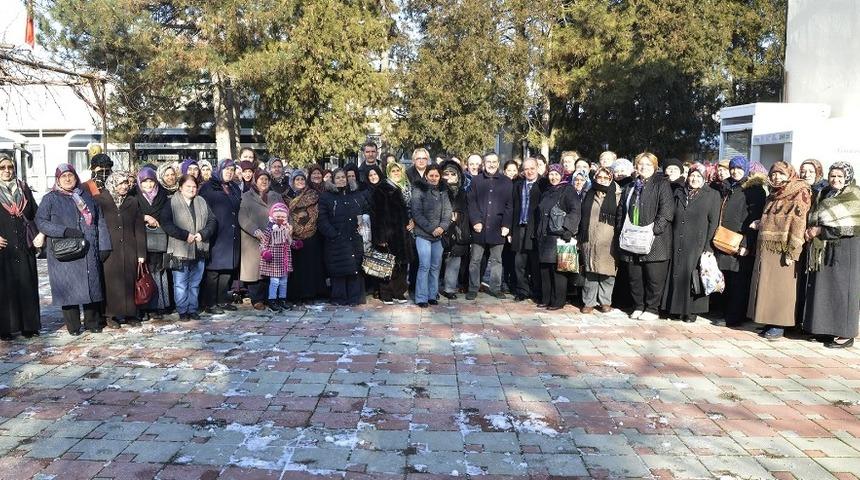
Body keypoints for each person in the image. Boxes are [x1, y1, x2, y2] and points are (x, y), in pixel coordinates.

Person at [36, 164, 111, 335]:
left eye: (71, 175)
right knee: (69, 288)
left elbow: (100, 221)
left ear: (76, 177)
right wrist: (64, 231)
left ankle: (92, 323)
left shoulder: (87, 197)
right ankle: (74, 326)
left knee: (91, 286)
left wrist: (105, 245)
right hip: (65, 249)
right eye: (64, 176)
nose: (68, 179)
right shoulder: (50, 199)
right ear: (58, 180)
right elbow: (41, 222)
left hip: (89, 247)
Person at [748, 161, 811, 340]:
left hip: (784, 247)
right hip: (768, 246)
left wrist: (793, 250)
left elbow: (799, 223)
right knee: (767, 286)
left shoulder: (800, 191)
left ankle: (779, 324)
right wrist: (760, 224)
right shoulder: (773, 193)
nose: (776, 177)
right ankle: (769, 320)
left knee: (782, 288)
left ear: (789, 174)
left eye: (780, 173)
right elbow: (771, 218)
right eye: (774, 173)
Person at [802, 162, 859, 348]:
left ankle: (846, 334)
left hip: (846, 250)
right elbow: (816, 215)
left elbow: (851, 226)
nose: (835, 179)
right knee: (825, 290)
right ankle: (825, 329)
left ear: (847, 177)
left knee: (843, 291)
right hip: (824, 248)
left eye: (840, 176)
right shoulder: (824, 192)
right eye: (832, 175)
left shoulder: (854, 195)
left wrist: (819, 231)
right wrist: (813, 230)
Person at [616, 153, 674, 321]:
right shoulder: (631, 186)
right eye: (641, 164)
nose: (644, 167)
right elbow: (621, 210)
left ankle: (652, 309)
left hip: (655, 240)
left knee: (654, 278)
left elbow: (667, 211)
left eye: (648, 165)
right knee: (635, 277)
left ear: (655, 167)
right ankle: (639, 306)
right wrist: (622, 230)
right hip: (631, 238)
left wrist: (655, 230)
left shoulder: (662, 184)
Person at [660, 164, 721, 322]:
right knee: (676, 274)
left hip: (697, 242)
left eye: (698, 177)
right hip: (677, 239)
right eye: (692, 176)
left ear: (704, 179)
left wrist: (709, 246)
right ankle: (675, 308)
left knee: (693, 276)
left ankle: (691, 311)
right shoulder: (679, 192)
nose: (694, 179)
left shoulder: (712, 195)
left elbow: (713, 222)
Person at [713, 156, 766, 326]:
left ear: (746, 169)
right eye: (733, 168)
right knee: (726, 277)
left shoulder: (754, 190)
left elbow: (755, 219)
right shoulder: (728, 186)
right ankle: (724, 312)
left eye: (739, 168)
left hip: (740, 240)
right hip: (723, 238)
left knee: (739, 280)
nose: (735, 171)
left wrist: (746, 243)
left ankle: (734, 317)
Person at [161, 175, 216, 321]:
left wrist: (203, 234)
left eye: (194, 186)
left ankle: (192, 309)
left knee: (195, 283)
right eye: (188, 186)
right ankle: (182, 310)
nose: (192, 189)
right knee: (180, 283)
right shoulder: (171, 202)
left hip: (199, 248)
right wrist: (185, 235)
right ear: (180, 188)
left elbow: (212, 220)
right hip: (180, 250)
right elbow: (166, 223)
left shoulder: (201, 201)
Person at [95, 172, 146, 328]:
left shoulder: (133, 201)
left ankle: (130, 313)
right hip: (109, 249)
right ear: (113, 184)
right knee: (110, 282)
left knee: (130, 281)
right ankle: (111, 315)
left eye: (126, 183)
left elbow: (139, 227)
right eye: (121, 183)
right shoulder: (100, 200)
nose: (124, 186)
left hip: (130, 248)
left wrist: (141, 253)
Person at [0, 155, 40, 340]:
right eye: (2, 167)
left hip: (24, 245)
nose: (7, 170)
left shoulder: (23, 189)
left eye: (10, 167)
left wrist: (40, 234)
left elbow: (35, 213)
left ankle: (29, 326)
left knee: (27, 284)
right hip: (3, 248)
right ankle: (5, 328)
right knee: (4, 288)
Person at [465, 152, 513, 300]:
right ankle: (473, 287)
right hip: (479, 227)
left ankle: (496, 288)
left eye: (494, 162)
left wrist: (506, 225)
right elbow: (471, 203)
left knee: (497, 260)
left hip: (498, 227)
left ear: (498, 163)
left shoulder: (506, 182)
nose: (491, 164)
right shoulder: (476, 181)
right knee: (475, 260)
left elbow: (509, 206)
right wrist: (475, 221)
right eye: (488, 162)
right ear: (483, 164)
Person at [318, 168, 369, 305]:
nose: (341, 180)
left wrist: (362, 224)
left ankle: (355, 297)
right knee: (338, 269)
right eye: (338, 177)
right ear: (333, 180)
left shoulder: (355, 194)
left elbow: (365, 211)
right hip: (336, 240)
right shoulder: (326, 197)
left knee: (354, 268)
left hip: (354, 238)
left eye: (343, 177)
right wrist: (333, 234)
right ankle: (339, 298)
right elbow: (322, 220)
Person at [198, 159, 242, 314]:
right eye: (227, 169)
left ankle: (222, 299)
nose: (229, 172)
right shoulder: (208, 187)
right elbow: (202, 210)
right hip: (216, 233)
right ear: (220, 170)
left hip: (232, 234)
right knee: (214, 270)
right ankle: (210, 303)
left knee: (227, 269)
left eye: (232, 169)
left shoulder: (234, 188)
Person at [535, 164, 581, 310]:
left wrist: (568, 229)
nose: (553, 177)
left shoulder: (568, 190)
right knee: (545, 270)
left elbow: (575, 210)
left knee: (558, 270)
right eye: (551, 174)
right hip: (545, 235)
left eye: (556, 174)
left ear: (561, 175)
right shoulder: (547, 190)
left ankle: (558, 301)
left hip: (559, 236)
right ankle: (546, 298)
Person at [239, 169, 284, 309]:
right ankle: (256, 299)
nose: (263, 182)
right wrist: (254, 230)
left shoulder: (276, 196)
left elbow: (284, 212)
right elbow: (242, 216)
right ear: (255, 180)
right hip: (253, 239)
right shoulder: (246, 196)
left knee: (270, 270)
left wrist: (287, 226)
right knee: (255, 271)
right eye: (260, 179)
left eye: (266, 179)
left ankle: (269, 298)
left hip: (273, 238)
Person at [367, 165, 412, 304]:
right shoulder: (382, 189)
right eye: (393, 171)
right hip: (388, 233)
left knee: (402, 264)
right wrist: (380, 237)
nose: (396, 173)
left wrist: (411, 222)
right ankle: (386, 293)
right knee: (387, 264)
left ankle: (399, 292)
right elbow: (376, 216)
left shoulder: (406, 187)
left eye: (398, 170)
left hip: (403, 232)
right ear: (388, 173)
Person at [579, 166, 621, 314]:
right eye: (599, 177)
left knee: (607, 273)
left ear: (610, 179)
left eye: (605, 178)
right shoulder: (588, 193)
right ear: (595, 177)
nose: (602, 180)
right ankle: (589, 302)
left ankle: (605, 301)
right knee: (590, 272)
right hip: (588, 238)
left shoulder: (617, 195)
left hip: (609, 240)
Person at [411, 164, 452, 307]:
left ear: (440, 177)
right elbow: (416, 213)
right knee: (424, 265)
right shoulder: (419, 190)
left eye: (436, 176)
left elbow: (448, 212)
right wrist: (431, 229)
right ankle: (421, 297)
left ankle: (432, 294)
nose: (434, 178)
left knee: (435, 266)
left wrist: (442, 227)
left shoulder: (443, 191)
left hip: (439, 236)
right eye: (431, 175)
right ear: (426, 176)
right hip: (423, 234)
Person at [136, 167, 172, 320]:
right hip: (141, 239)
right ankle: (145, 306)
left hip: (160, 238)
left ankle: (160, 305)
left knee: (160, 272)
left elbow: (168, 213)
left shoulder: (163, 194)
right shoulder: (135, 195)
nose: (149, 185)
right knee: (144, 273)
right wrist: (145, 217)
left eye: (151, 181)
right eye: (145, 182)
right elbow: (131, 214)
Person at [287, 169, 328, 304]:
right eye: (297, 179)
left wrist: (307, 226)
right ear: (292, 181)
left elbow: (315, 212)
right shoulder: (286, 196)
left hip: (311, 234)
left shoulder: (312, 195)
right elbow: (286, 214)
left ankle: (310, 293)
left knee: (310, 266)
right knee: (296, 267)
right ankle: (296, 295)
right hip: (293, 236)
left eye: (302, 179)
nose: (300, 182)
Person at [509, 157, 543, 302]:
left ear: (537, 168)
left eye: (532, 168)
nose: (529, 171)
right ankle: (522, 290)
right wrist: (510, 230)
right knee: (519, 262)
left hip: (535, 229)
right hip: (519, 227)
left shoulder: (544, 184)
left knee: (535, 262)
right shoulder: (517, 185)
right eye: (526, 169)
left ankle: (537, 291)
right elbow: (512, 208)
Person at [440, 160, 471, 299]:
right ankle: (433, 288)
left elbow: (467, 210)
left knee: (454, 260)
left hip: (458, 229)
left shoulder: (463, 192)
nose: (450, 176)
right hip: (440, 229)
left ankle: (449, 288)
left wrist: (458, 216)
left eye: (453, 174)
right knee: (436, 262)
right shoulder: (437, 190)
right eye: (446, 174)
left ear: (458, 176)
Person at [260, 202, 297, 312]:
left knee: (284, 281)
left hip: (284, 259)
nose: (280, 219)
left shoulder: (287, 229)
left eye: (283, 216)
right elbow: (263, 242)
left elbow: (289, 241)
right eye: (278, 216)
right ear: (273, 217)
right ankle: (272, 300)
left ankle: (283, 299)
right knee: (275, 282)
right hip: (274, 260)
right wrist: (265, 252)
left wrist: (295, 243)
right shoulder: (270, 228)